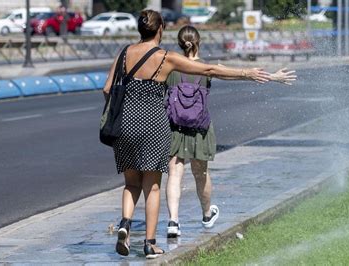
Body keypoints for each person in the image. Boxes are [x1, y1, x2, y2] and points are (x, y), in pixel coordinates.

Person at [102, 10, 296, 259]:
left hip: (125, 124)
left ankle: (125, 224)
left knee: (131, 183)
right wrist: (247, 72)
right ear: (160, 29)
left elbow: (107, 89)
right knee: (151, 186)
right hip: (153, 125)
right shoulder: (166, 58)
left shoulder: (123, 54)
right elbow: (209, 70)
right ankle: (150, 244)